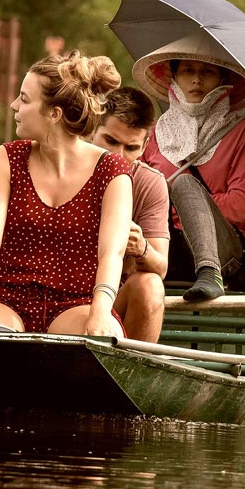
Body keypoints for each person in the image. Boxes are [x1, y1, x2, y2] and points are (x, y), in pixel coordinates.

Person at [0, 50, 132, 336]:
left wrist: (99, 312)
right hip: (9, 301)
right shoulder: (6, 158)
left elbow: (112, 252)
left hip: (79, 304)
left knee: (103, 335)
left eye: (24, 99)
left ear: (54, 113)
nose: (13, 105)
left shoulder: (112, 170)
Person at [134, 35, 245, 302]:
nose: (196, 80)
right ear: (174, 77)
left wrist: (185, 207)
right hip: (164, 244)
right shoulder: (154, 131)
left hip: (224, 250)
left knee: (182, 185)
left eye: (207, 72)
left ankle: (209, 273)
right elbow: (139, 197)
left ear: (222, 79)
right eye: (188, 71)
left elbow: (241, 206)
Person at [89, 86, 169, 342]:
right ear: (92, 131)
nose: (118, 156)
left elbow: (161, 266)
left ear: (145, 145)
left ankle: (134, 376)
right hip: (65, 294)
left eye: (131, 147)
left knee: (151, 285)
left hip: (116, 302)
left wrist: (141, 246)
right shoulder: (68, 168)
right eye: (110, 141)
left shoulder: (149, 183)